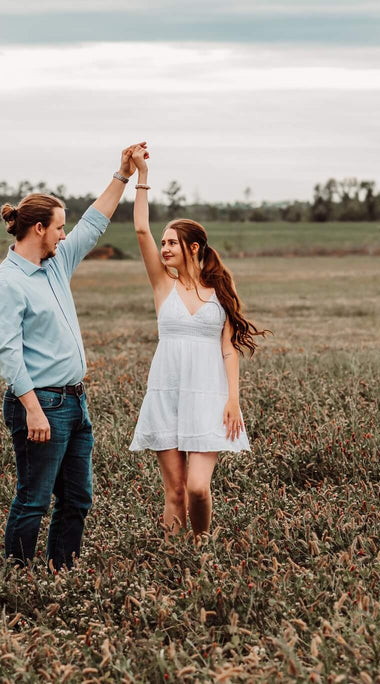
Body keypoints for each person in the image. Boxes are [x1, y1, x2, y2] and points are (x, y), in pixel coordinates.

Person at [0, 142, 145, 570]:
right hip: (41, 405)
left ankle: (61, 573)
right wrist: (32, 410)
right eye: (58, 227)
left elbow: (95, 223)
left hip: (74, 401)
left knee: (77, 497)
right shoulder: (7, 284)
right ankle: (15, 579)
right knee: (33, 499)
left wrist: (123, 173)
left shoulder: (55, 264)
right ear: (38, 229)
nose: (63, 234)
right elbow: (8, 356)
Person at [127, 147, 267, 538]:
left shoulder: (219, 290)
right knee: (174, 492)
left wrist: (234, 399)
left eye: (172, 242)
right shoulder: (162, 285)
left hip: (209, 396)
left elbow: (228, 349)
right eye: (163, 242)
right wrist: (142, 176)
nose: (164, 247)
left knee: (197, 489)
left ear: (193, 248)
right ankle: (176, 562)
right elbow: (140, 230)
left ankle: (201, 547)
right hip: (166, 393)